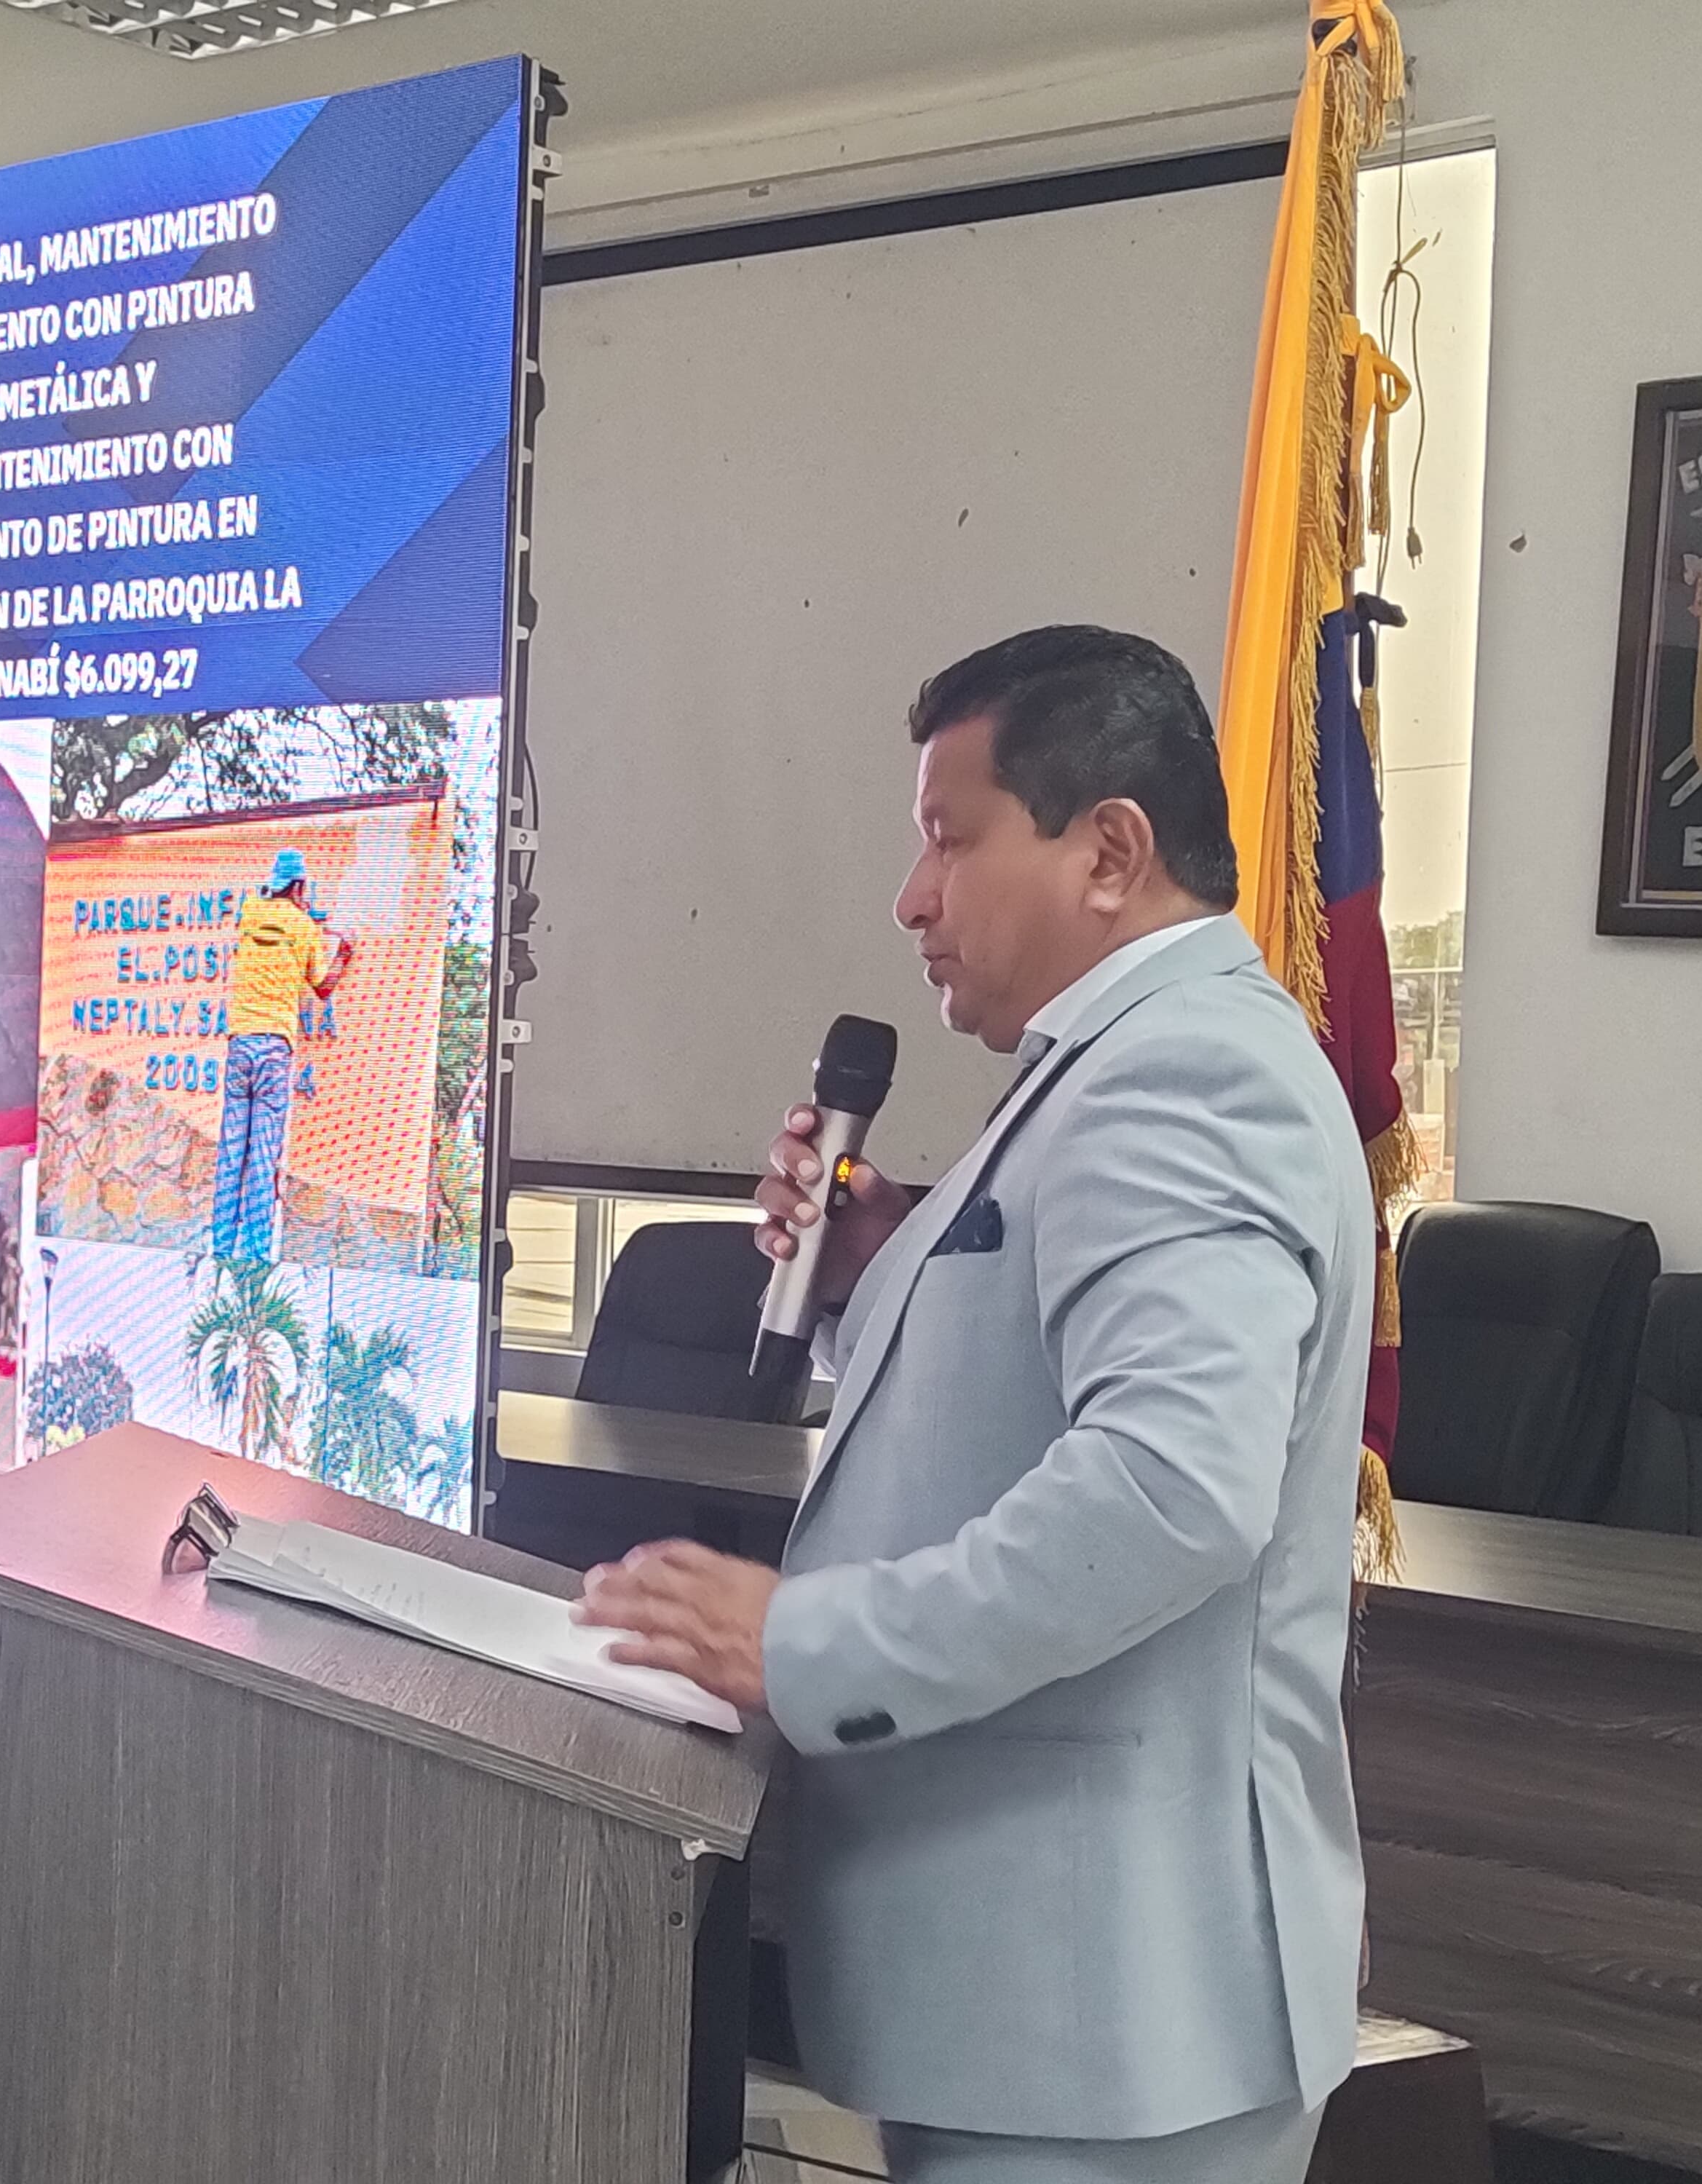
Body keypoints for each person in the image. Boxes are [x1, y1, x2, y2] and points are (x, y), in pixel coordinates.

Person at [579, 627, 1376, 2183]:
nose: (912, 898)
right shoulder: (1119, 1063)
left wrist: (802, 1641)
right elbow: (1032, 1399)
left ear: (1110, 852)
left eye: (951, 839)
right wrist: (876, 1266)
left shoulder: (1185, 1073)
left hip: (1109, 2015)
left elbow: (1171, 1491)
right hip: (1051, 2003)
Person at [212, 847, 352, 1264]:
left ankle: (220, 1248)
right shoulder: (304, 927)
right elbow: (322, 987)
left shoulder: (251, 913)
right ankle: (254, 1256)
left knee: (231, 1151)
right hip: (275, 1047)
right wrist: (343, 953)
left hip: (240, 1044)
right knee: (262, 1156)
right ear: (300, 886)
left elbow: (262, 904)